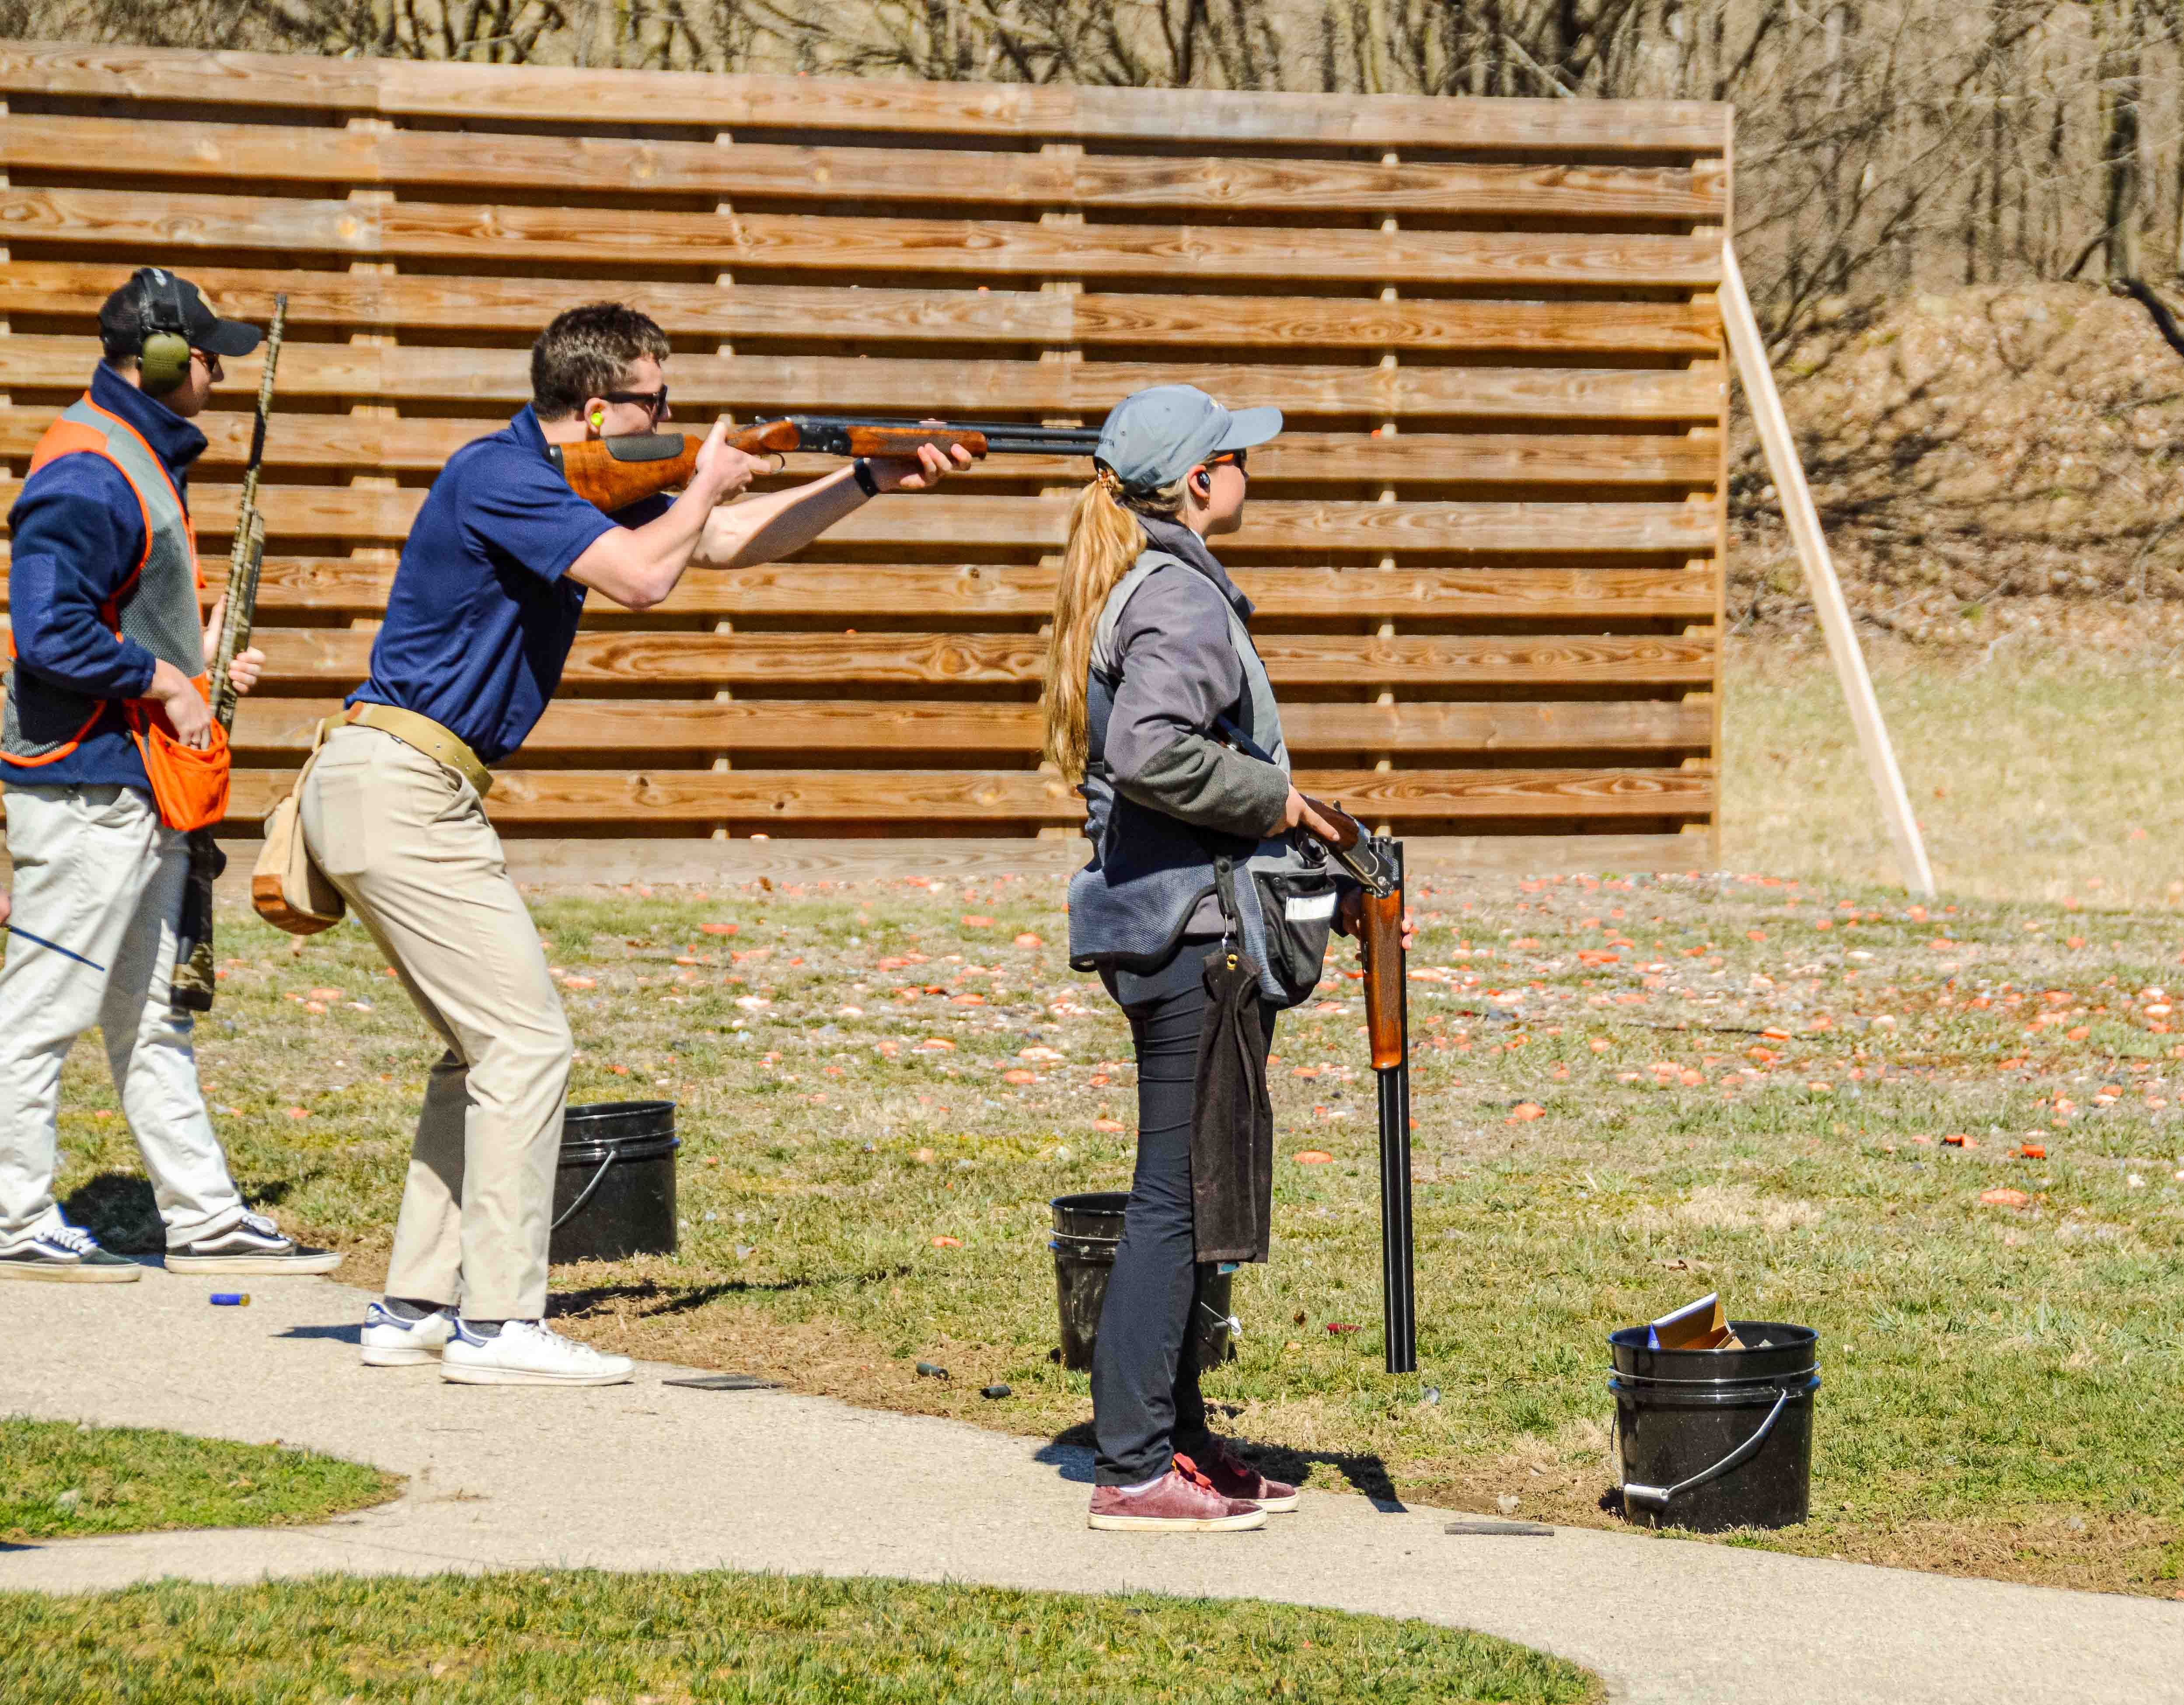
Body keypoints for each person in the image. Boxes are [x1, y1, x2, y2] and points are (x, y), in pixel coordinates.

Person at [307, 303, 971, 1386]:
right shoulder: (501, 474)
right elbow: (642, 577)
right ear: (593, 406)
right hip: (401, 784)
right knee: (526, 1046)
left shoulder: (552, 480)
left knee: (480, 1050)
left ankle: (416, 1305)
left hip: (406, 784)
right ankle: (498, 1323)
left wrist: (864, 478)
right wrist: (706, 478)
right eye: (653, 401)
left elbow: (724, 544)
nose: (669, 417)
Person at [1046, 385, 1387, 1530]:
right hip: (1193, 941)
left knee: (1192, 1191)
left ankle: (1178, 1442)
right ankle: (1133, 1464)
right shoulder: (1180, 597)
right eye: (1238, 457)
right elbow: (1154, 755)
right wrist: (1280, 803)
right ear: (1198, 480)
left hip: (1179, 930)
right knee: (1174, 1199)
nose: (1249, 472)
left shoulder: (1150, 582)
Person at [0, 268, 340, 1283]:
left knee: (152, 1015)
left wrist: (196, 666)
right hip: (87, 787)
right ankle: (12, 1216)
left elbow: (119, 611)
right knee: (42, 1008)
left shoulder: (135, 455)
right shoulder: (91, 469)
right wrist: (164, 683)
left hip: (128, 781)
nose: (218, 376)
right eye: (207, 359)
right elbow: (50, 630)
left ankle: (205, 1218)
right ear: (160, 361)